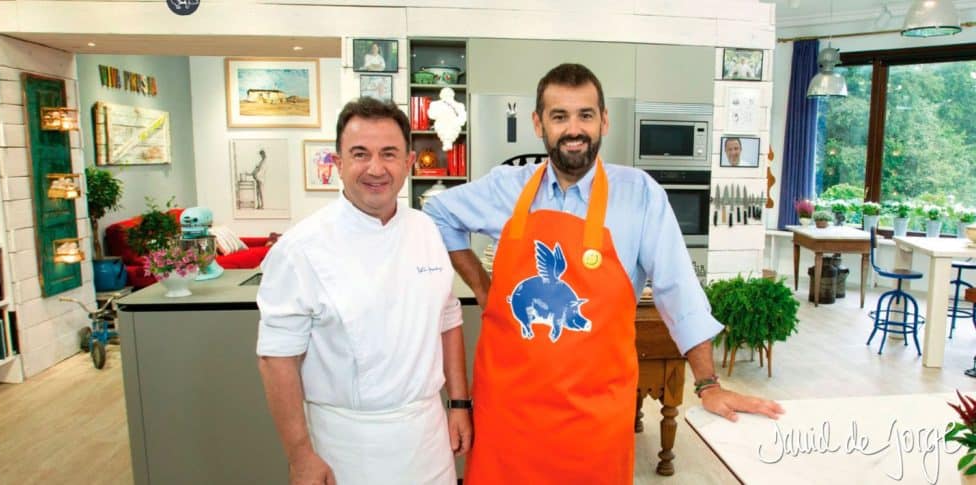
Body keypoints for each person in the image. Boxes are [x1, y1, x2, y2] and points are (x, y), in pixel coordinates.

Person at [423, 63, 783, 483]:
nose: (573, 129)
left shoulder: (639, 194)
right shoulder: (507, 186)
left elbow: (679, 291)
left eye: (585, 115)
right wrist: (485, 290)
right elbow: (438, 213)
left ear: (604, 121)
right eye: (559, 116)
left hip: (593, 419)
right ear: (538, 123)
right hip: (509, 414)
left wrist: (708, 384)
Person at [257, 97, 471, 485]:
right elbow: (276, 360)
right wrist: (300, 456)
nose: (375, 168)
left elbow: (448, 318)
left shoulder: (426, 231)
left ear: (408, 163)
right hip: (348, 446)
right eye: (360, 154)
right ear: (338, 164)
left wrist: (458, 403)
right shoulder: (301, 248)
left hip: (428, 435)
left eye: (389, 154)